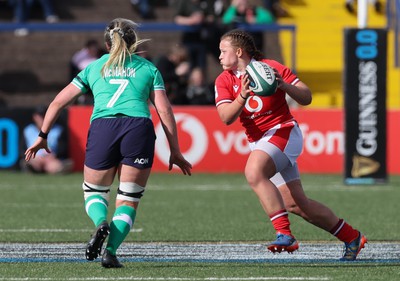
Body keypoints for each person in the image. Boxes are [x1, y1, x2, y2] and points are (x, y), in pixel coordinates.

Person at [25, 18, 193, 268]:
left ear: (107, 44)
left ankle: (100, 222)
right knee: (128, 199)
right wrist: (175, 150)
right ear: (134, 44)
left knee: (94, 192)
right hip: (138, 127)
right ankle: (111, 251)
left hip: (104, 127)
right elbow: (164, 111)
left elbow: (58, 102)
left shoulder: (95, 67)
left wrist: (42, 136)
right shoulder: (148, 68)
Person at [214, 29, 367, 260]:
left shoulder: (270, 67)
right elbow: (226, 117)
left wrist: (283, 85)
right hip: (260, 142)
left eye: (223, 51)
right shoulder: (224, 80)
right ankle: (352, 236)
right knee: (296, 205)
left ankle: (285, 235)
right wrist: (242, 96)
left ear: (238, 51)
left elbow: (306, 96)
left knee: (254, 172)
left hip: (283, 131)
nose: (219, 57)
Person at [21, 105, 73, 174]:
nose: (42, 119)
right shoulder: (28, 130)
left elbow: (63, 147)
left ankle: (57, 169)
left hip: (51, 158)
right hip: (35, 158)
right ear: (35, 117)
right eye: (40, 116)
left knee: (54, 165)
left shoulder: (58, 130)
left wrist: (53, 156)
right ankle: (33, 168)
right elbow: (22, 148)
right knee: (33, 162)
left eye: (44, 116)